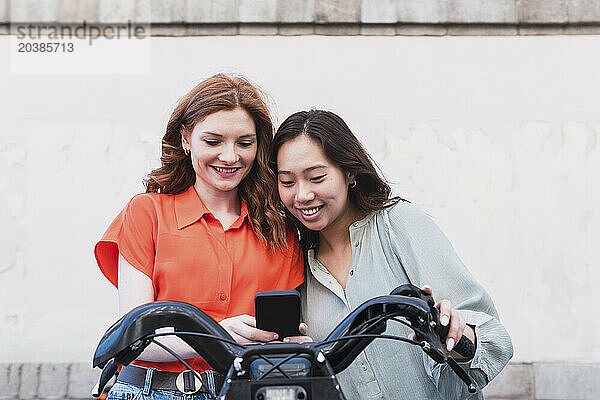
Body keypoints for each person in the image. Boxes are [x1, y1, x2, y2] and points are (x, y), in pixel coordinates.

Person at [271, 109, 513, 400]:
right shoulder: (295, 264)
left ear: (349, 173)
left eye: (317, 178)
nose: (302, 195)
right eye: (287, 182)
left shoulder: (400, 225)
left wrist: (460, 337)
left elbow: (492, 337)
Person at [94, 74, 307, 400]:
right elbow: (133, 338)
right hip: (150, 391)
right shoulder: (146, 213)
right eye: (213, 141)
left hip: (250, 390)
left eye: (244, 143)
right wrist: (218, 334)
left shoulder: (281, 232)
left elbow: (282, 338)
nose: (230, 156)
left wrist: (292, 341)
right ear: (185, 139)